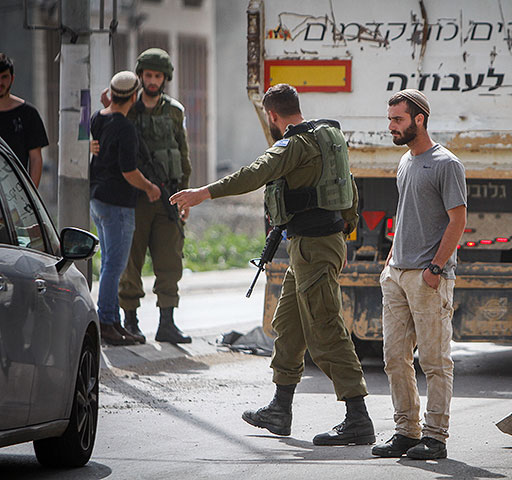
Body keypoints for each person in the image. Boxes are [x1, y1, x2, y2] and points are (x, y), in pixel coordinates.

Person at [170, 83, 376, 446]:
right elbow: (350, 187)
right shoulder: (328, 135)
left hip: (314, 247)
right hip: (313, 245)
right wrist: (345, 228)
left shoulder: (294, 144)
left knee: (326, 328)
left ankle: (358, 418)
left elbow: (254, 173)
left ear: (272, 115)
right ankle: (280, 409)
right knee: (289, 326)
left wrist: (203, 193)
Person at [371, 89, 467, 460]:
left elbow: (458, 221)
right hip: (396, 274)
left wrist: (435, 268)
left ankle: (436, 437)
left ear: (419, 119)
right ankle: (406, 432)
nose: (391, 126)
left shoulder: (446, 163)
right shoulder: (405, 161)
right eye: (390, 119)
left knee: (434, 361)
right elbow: (407, 214)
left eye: (397, 119)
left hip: (429, 277)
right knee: (394, 358)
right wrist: (391, 262)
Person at [97, 48, 192, 344]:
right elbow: (101, 127)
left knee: (170, 261)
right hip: (134, 198)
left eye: (158, 75)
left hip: (168, 197)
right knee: (130, 263)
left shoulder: (175, 111)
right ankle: (131, 321)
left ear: (165, 78)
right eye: (148, 75)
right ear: (140, 77)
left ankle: (167, 322)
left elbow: (183, 154)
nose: (152, 80)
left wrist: (185, 196)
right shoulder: (127, 109)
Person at [90, 71, 161, 346]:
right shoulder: (125, 128)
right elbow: (129, 171)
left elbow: (103, 124)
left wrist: (108, 101)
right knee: (113, 266)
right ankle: (107, 323)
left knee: (109, 263)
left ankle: (113, 321)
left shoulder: (99, 118)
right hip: (117, 203)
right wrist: (150, 188)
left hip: (98, 199)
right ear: (134, 96)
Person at [0, 53, 48, 187]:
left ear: (12, 78)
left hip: (16, 194)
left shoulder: (28, 114)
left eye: (4, 77)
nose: (0, 83)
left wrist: (31, 196)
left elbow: (35, 158)